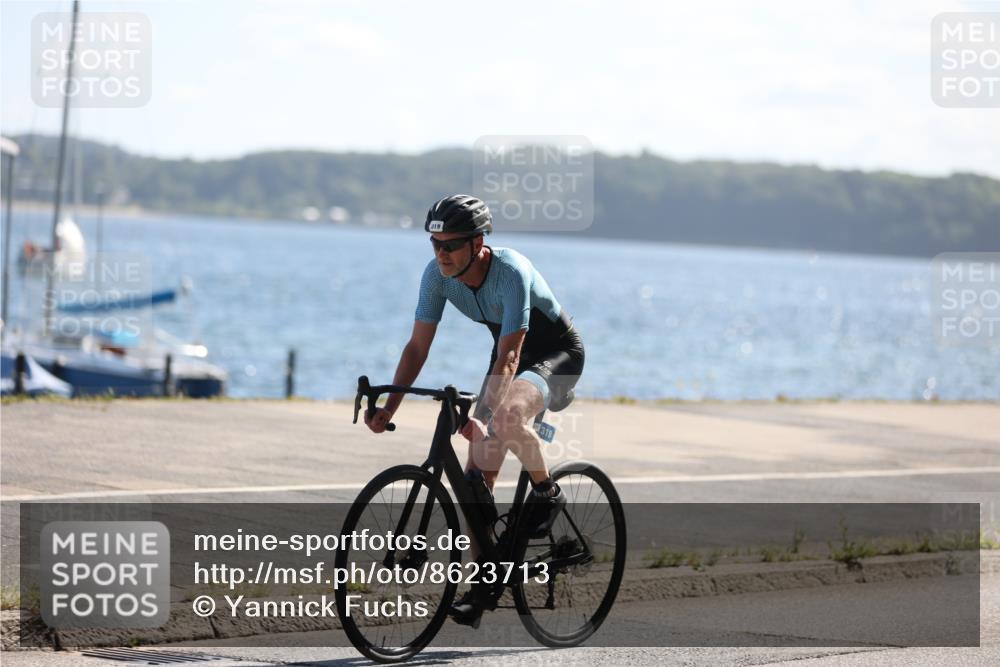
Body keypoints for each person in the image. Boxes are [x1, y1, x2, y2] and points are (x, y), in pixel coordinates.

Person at [365, 194, 585, 627]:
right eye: (435, 245)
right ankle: (485, 587)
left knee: (504, 418)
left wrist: (483, 416)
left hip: (555, 355)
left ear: (478, 243)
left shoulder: (510, 272)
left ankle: (547, 492)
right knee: (474, 485)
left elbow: (509, 359)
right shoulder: (437, 276)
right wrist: (390, 406)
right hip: (508, 355)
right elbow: (416, 347)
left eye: (450, 245)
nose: (441, 254)